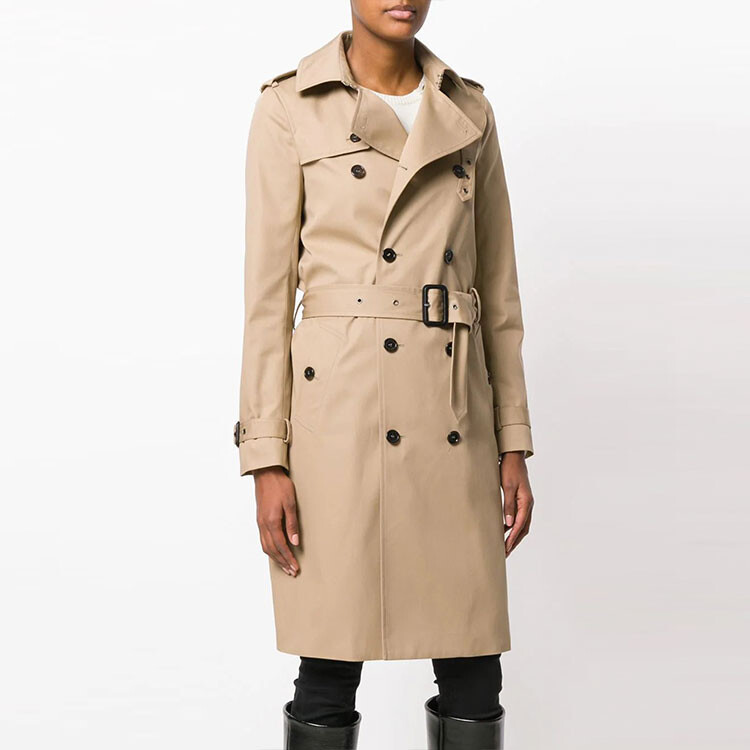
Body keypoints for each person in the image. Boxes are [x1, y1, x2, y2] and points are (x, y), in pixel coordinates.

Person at [234, 2, 536, 748]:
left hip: (451, 414)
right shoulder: (289, 107)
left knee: (474, 666)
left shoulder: (470, 111)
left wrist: (513, 442)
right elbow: (266, 302)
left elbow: (498, 296)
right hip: (337, 421)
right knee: (327, 665)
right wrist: (266, 457)